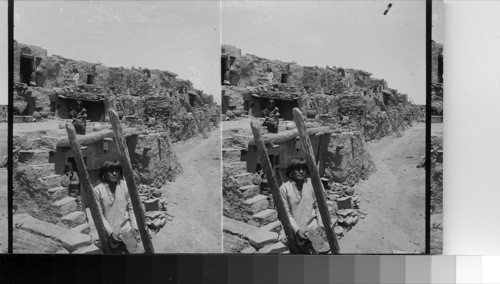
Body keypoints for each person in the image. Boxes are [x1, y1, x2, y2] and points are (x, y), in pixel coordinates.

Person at [279, 158, 329, 254]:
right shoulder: (284, 189)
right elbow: (286, 214)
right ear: (291, 171)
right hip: (295, 230)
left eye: (304, 169)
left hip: (312, 227)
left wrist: (321, 225)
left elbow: (318, 206)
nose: (301, 171)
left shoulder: (311, 184)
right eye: (297, 169)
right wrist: (297, 231)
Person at [93, 160, 144, 254]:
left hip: (127, 229)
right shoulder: (97, 191)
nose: (115, 173)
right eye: (111, 171)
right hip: (111, 233)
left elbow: (131, 208)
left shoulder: (124, 185)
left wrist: (134, 226)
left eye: (117, 170)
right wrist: (110, 233)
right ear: (104, 173)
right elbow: (99, 215)